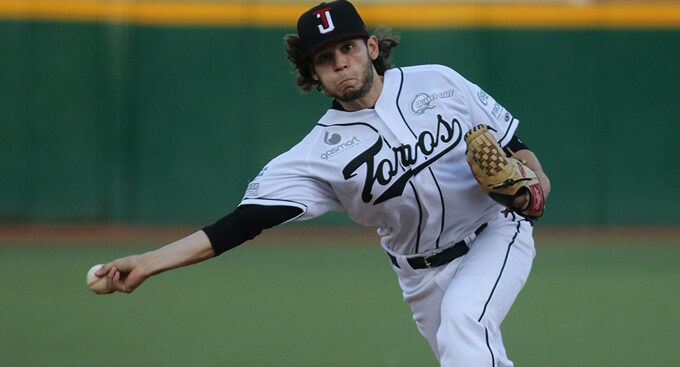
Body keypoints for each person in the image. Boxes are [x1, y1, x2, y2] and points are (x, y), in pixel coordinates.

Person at [95, 1, 551, 366]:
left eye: (348, 48)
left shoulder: (438, 82)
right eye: (325, 58)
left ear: (372, 47)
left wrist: (536, 183)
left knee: (462, 323)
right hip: (419, 275)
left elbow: (514, 144)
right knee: (463, 351)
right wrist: (149, 261)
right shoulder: (316, 156)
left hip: (494, 233)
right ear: (313, 72)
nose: (341, 63)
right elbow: (239, 224)